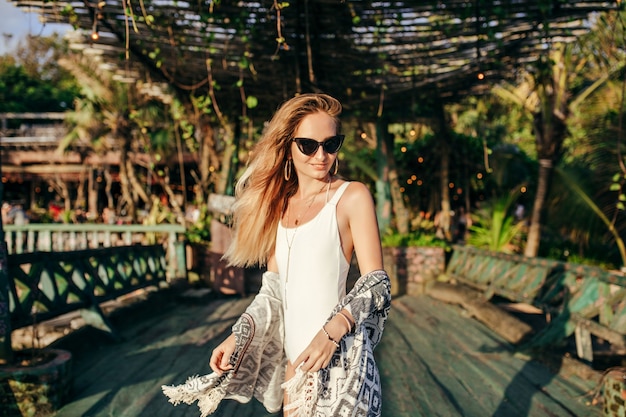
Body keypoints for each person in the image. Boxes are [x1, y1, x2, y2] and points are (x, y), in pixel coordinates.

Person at [162, 93, 391, 417]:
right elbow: (273, 290)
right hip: (295, 370)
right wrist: (237, 336)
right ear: (287, 145)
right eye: (308, 145)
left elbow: (376, 283)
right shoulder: (279, 206)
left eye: (331, 143)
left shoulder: (351, 196)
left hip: (341, 365)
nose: (321, 155)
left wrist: (332, 331)